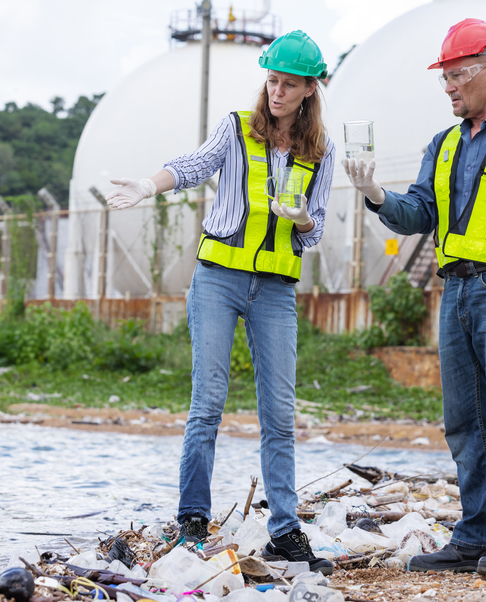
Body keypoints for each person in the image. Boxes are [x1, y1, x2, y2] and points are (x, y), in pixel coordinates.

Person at [344, 18, 486, 575]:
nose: (448, 87)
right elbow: (418, 214)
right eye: (443, 78)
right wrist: (375, 194)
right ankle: (477, 536)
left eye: (457, 75)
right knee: (464, 423)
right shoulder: (443, 144)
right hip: (455, 294)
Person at [106, 30, 336, 573]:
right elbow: (193, 166)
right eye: (272, 80)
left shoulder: (321, 152)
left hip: (275, 290)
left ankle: (285, 530)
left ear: (309, 89)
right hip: (217, 279)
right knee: (207, 403)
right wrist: (148, 185)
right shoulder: (237, 129)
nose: (277, 91)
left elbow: (316, 230)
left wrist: (303, 219)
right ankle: (192, 521)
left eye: (289, 84)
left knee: (279, 414)